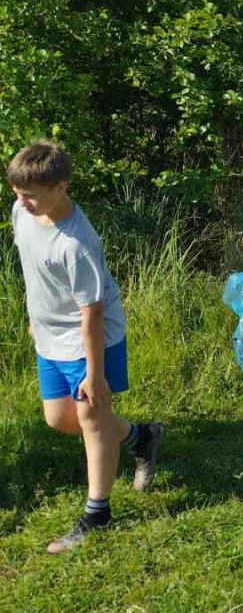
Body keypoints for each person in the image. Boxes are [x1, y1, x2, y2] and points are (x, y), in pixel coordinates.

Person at [8, 141, 164, 554]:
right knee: (59, 418)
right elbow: (34, 272)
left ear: (60, 187)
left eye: (29, 194)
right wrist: (35, 318)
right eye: (16, 192)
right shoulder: (23, 214)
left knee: (93, 422)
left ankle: (98, 515)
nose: (20, 201)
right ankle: (140, 437)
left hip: (89, 340)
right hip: (49, 336)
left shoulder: (76, 243)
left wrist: (95, 375)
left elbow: (91, 312)